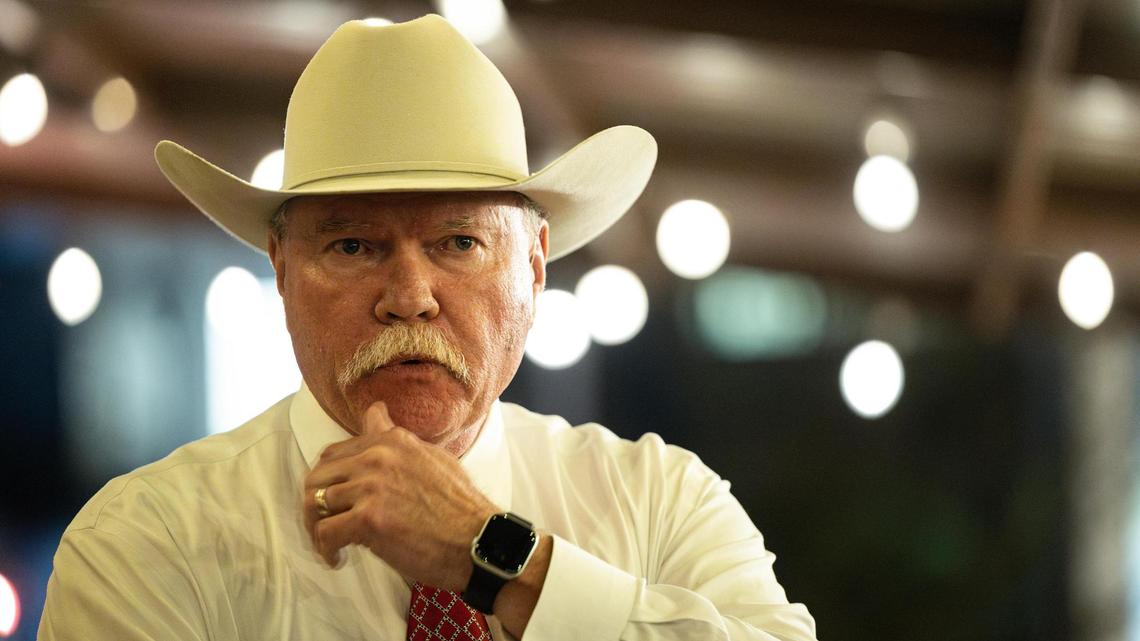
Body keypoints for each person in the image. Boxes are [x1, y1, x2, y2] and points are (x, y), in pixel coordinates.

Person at [39, 14, 817, 641]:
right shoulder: (147, 544)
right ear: (280, 267)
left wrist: (494, 558)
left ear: (536, 266)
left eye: (459, 242)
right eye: (353, 244)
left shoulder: (658, 502)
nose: (410, 296)